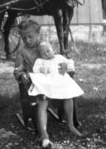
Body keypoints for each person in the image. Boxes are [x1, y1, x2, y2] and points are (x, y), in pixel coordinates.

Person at [13, 19, 83, 149]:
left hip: (53, 82)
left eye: (30, 37)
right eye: (24, 38)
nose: (27, 40)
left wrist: (64, 65)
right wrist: (22, 75)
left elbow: (57, 58)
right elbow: (17, 70)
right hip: (37, 84)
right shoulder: (22, 52)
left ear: (38, 34)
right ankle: (44, 135)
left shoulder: (45, 45)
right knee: (42, 101)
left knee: (68, 94)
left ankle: (71, 125)